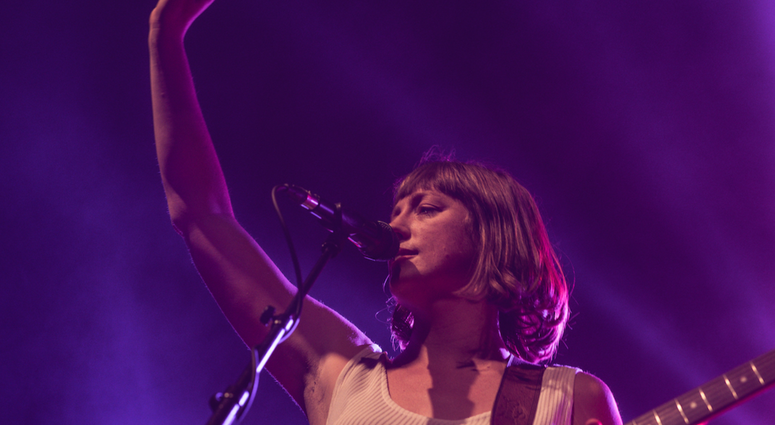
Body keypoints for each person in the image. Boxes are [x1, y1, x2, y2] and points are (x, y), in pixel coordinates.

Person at [148, 0, 623, 424]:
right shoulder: (340, 372)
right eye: (396, 211)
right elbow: (202, 214)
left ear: (493, 240)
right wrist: (165, 33)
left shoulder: (570, 399)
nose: (395, 225)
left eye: (427, 208)